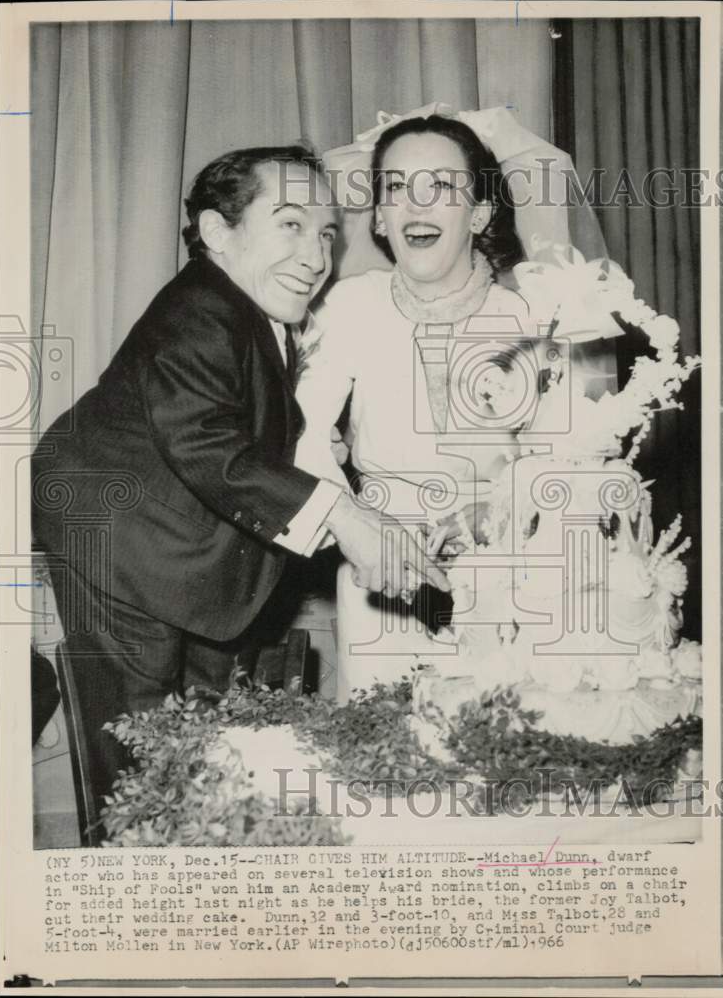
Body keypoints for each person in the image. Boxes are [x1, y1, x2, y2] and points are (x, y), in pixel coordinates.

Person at [32, 145, 449, 815]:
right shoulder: (199, 307)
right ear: (215, 232)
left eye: (325, 233)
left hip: (182, 561)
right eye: (290, 224)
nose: (316, 255)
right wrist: (344, 519)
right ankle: (127, 880)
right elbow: (204, 442)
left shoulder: (247, 314)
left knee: (198, 747)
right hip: (120, 545)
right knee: (137, 747)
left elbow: (241, 444)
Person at [294, 114, 546, 702]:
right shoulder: (349, 306)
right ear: (379, 216)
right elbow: (300, 435)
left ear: (480, 213)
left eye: (442, 187)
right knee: (386, 762)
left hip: (510, 577)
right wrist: (361, 530)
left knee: (503, 751)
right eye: (397, 188)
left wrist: (497, 514)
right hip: (380, 575)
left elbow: (568, 460)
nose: (416, 205)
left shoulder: (531, 318)